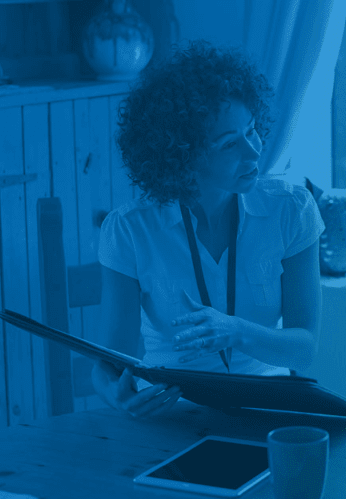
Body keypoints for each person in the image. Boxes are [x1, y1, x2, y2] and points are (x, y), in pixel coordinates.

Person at [92, 41, 324, 419]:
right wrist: (115, 394)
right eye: (229, 143)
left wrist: (236, 331)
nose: (254, 152)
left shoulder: (292, 209)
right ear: (182, 156)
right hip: (171, 412)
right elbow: (107, 365)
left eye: (251, 130)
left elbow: (304, 349)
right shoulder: (129, 230)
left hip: (270, 408)